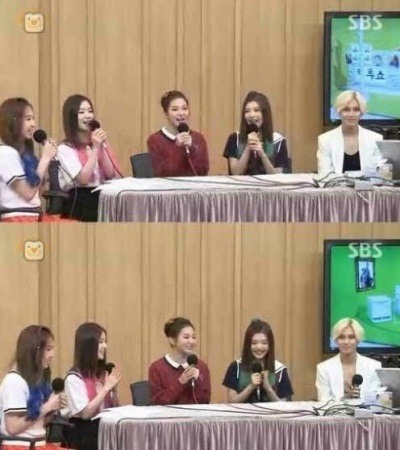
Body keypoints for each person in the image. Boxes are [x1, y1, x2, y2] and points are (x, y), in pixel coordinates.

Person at [0, 325, 67, 449]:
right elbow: (13, 428)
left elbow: (37, 423)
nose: (52, 355)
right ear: (34, 351)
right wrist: (46, 407)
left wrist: (53, 409)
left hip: (39, 444)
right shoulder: (14, 381)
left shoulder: (35, 380)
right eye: (48, 349)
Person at [57, 95, 122, 222]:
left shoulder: (96, 143)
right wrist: (95, 149)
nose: (88, 116)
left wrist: (101, 146)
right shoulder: (64, 149)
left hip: (101, 198)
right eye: (81, 112)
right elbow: (83, 179)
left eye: (90, 111)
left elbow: (110, 174)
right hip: (79, 202)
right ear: (71, 117)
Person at [0, 97, 61, 222]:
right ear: (13, 122)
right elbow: (28, 194)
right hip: (17, 218)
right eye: (28, 119)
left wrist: (48, 161)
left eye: (33, 118)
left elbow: (39, 191)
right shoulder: (6, 153)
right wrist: (45, 158)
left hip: (33, 215)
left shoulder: (25, 154)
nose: (33, 124)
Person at [64, 323, 121, 450]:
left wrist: (114, 390)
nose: (105, 346)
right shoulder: (74, 378)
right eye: (100, 342)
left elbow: (113, 409)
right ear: (88, 346)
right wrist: (106, 388)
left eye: (105, 342)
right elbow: (86, 414)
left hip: (103, 429)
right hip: (84, 435)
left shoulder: (100, 374)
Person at [222, 319, 293, 402]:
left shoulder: (280, 370)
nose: (259, 347)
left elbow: (285, 406)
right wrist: (251, 386)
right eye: (254, 343)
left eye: (264, 343)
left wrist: (268, 389)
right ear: (248, 344)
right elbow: (231, 401)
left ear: (270, 344)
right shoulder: (236, 367)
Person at [223, 91, 291, 175]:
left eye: (256, 110)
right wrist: (248, 147)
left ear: (265, 114)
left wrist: (261, 153)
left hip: (268, 184)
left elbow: (278, 176)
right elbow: (235, 173)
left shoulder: (278, 141)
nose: (251, 115)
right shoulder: (235, 138)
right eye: (247, 111)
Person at [317, 91, 383, 175]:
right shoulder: (325, 139)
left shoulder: (376, 139)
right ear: (339, 112)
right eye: (346, 109)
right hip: (336, 184)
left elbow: (378, 175)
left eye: (356, 109)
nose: (351, 114)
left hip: (366, 184)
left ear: (361, 112)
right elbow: (324, 175)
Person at [316, 318, 382, 401]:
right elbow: (323, 402)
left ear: (358, 340)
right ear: (336, 340)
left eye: (351, 337)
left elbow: (375, 401)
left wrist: (356, 399)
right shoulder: (323, 368)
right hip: (336, 410)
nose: (346, 342)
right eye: (341, 337)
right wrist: (344, 399)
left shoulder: (374, 367)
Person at [148, 317, 211, 405]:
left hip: (195, 414)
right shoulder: (157, 368)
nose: (191, 341)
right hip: (167, 414)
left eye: (194, 337)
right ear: (172, 340)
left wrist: (198, 382)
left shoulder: (201, 367)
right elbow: (157, 402)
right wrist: (180, 382)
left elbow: (205, 401)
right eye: (186, 337)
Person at [147, 91, 209, 177]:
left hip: (193, 185)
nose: (181, 113)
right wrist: (177, 147)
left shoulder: (198, 138)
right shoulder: (155, 140)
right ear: (166, 114)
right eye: (175, 109)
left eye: (184, 108)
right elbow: (161, 173)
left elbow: (203, 172)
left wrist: (192, 148)